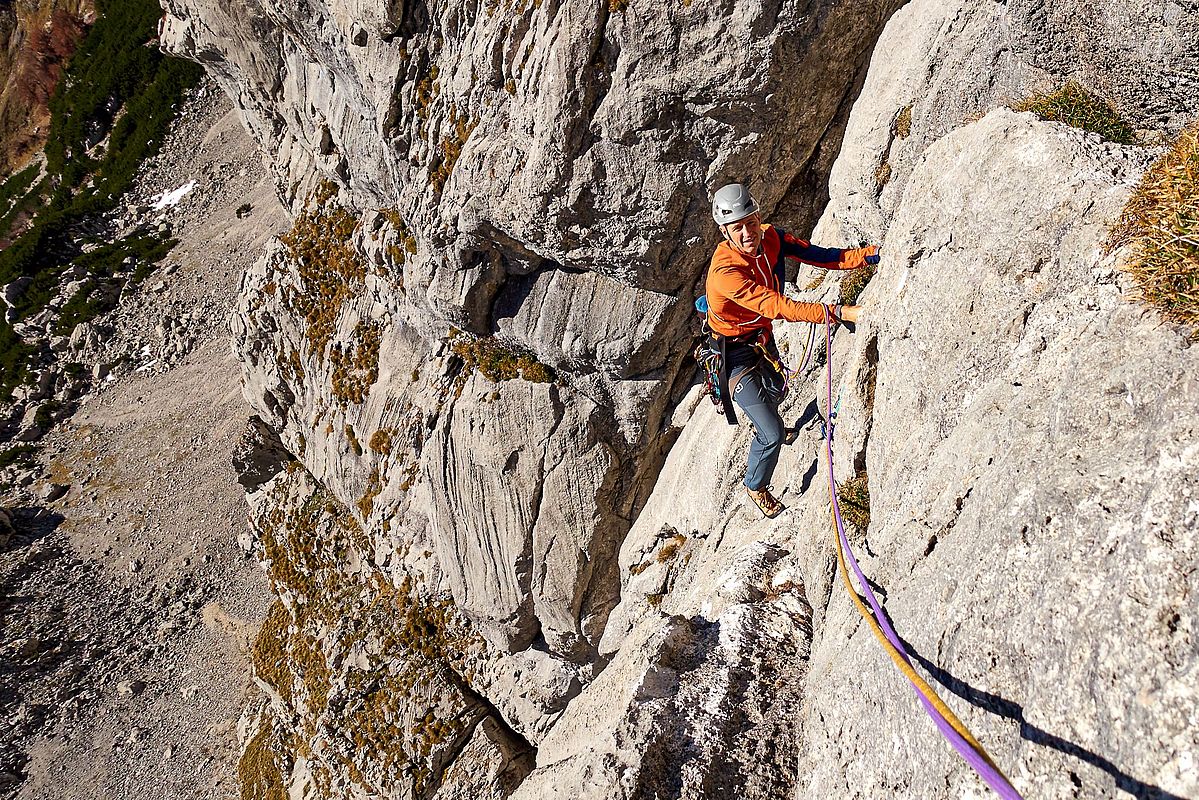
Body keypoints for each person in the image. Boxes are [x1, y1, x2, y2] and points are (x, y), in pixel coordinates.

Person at [704, 183, 880, 518]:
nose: (747, 233)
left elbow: (822, 256)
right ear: (725, 232)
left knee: (778, 390)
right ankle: (755, 485)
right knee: (770, 433)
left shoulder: (772, 238)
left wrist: (870, 255)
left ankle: (766, 414)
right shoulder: (725, 274)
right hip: (733, 355)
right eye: (737, 228)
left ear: (759, 217)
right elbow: (776, 306)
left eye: (751, 222)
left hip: (760, 338)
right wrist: (836, 313)